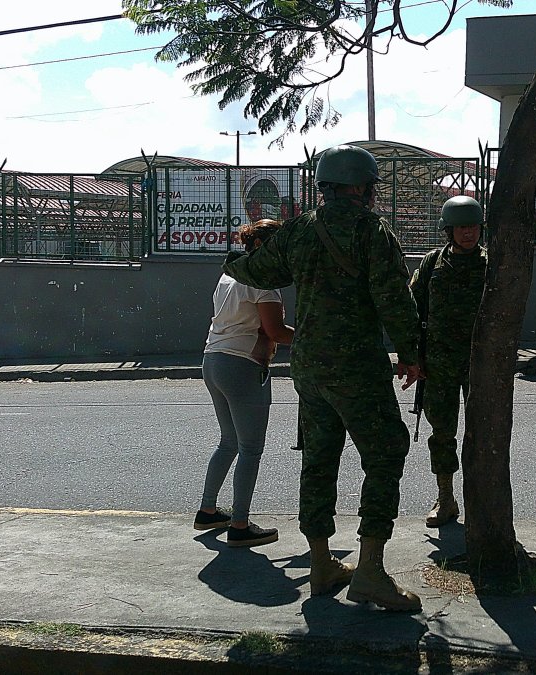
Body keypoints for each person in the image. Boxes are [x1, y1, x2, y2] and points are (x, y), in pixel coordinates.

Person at [223, 144, 424, 611]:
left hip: (309, 366)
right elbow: (394, 298)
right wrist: (412, 353)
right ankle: (370, 572)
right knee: (386, 452)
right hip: (356, 366)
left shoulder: (299, 231)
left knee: (318, 460)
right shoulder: (373, 232)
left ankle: (320, 563)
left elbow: (252, 269)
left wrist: (231, 258)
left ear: (325, 186)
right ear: (363, 187)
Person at [193, 219, 294, 547]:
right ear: (267, 247)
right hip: (241, 365)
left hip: (213, 360)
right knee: (250, 448)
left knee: (229, 442)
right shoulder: (263, 281)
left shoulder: (230, 273)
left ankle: (208, 509)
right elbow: (276, 331)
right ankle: (239, 523)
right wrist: (316, 336)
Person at [409, 195, 487, 528]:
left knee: (482, 433)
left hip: (479, 362)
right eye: (461, 228)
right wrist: (413, 356)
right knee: (442, 433)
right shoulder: (431, 264)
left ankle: (482, 501)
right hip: (438, 363)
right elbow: (411, 311)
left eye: (472, 227)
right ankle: (446, 498)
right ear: (448, 230)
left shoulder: (491, 264)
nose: (468, 233)